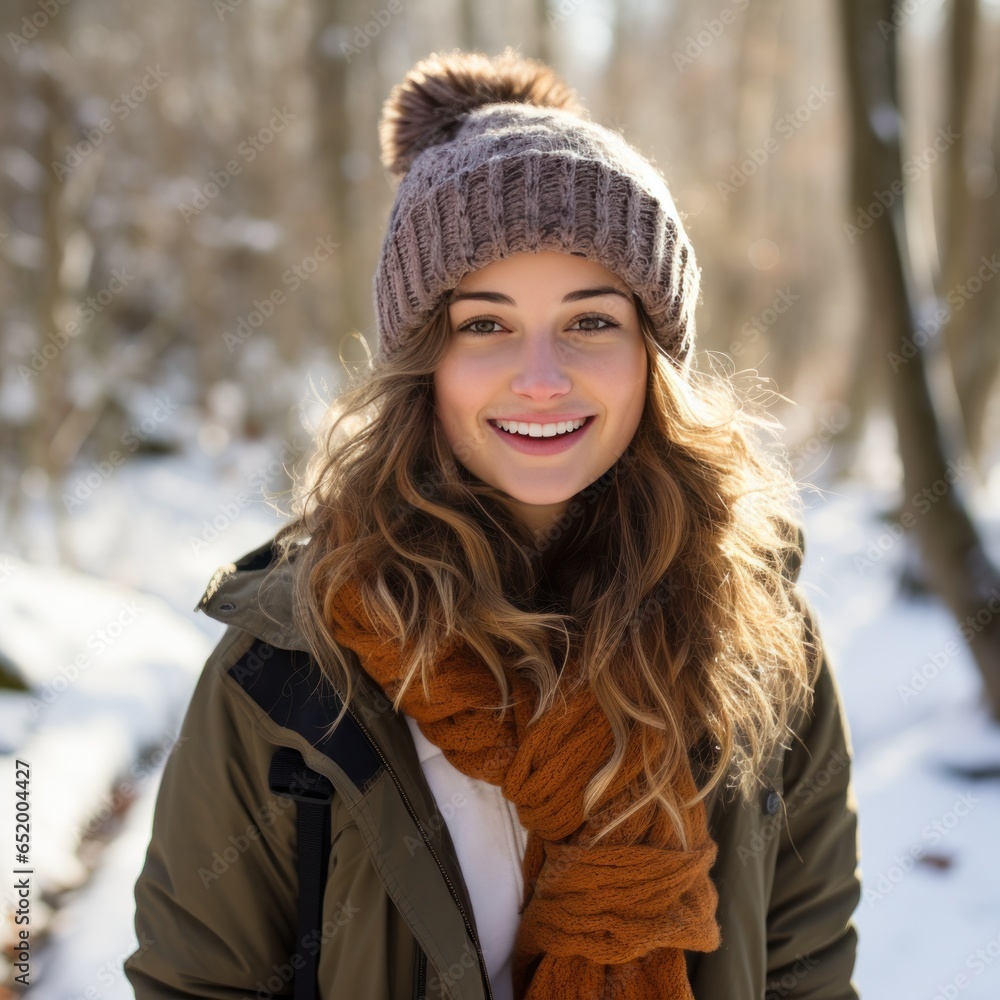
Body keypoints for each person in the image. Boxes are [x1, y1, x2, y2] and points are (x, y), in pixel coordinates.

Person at [125, 47, 861, 1000]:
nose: (543, 377)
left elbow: (806, 976)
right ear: (423, 360)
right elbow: (196, 986)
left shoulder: (759, 651)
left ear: (654, 355)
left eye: (592, 322)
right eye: (486, 325)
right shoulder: (290, 672)